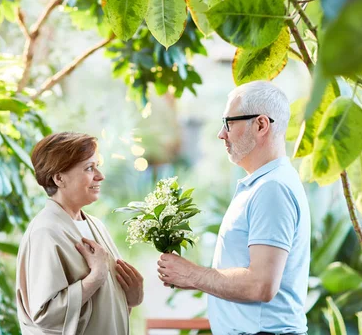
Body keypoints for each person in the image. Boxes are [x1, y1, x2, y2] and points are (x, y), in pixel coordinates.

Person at [157, 81, 310, 335]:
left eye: (229, 123)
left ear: (261, 125)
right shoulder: (263, 184)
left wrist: (192, 274)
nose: (221, 134)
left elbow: (260, 285)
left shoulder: (272, 188)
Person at [16, 132, 143, 335]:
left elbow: (102, 309)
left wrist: (131, 298)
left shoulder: (96, 226)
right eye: (89, 168)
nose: (100, 176)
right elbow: (45, 316)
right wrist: (96, 278)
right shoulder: (44, 232)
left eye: (97, 166)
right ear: (59, 178)